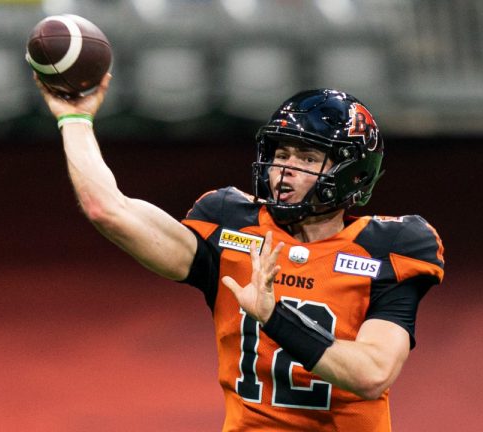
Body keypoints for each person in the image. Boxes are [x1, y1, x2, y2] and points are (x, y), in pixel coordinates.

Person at [35, 73, 445, 431]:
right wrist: (74, 119)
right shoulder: (231, 225)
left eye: (307, 157)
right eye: (281, 154)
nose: (285, 169)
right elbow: (109, 210)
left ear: (351, 174)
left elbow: (372, 374)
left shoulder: (389, 249)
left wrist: (274, 316)